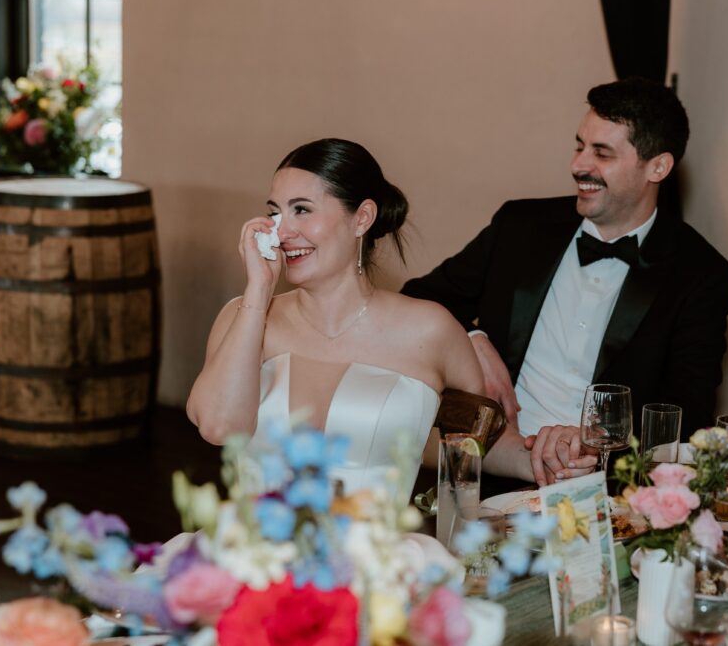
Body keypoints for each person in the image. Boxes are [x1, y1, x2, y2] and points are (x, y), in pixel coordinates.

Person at [186, 138, 593, 502]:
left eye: (302, 210)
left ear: (362, 218)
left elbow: (475, 442)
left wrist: (541, 457)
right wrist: (258, 293)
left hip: (375, 567)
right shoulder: (243, 319)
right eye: (274, 213)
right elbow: (220, 428)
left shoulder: (430, 330)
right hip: (256, 562)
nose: (281, 232)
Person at [402, 76, 728, 480]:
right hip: (487, 467)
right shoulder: (520, 227)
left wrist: (593, 440)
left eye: (602, 153)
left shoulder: (701, 274)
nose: (578, 165)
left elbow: (685, 415)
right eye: (580, 146)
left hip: (603, 485)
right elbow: (418, 298)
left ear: (658, 166)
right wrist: (474, 341)